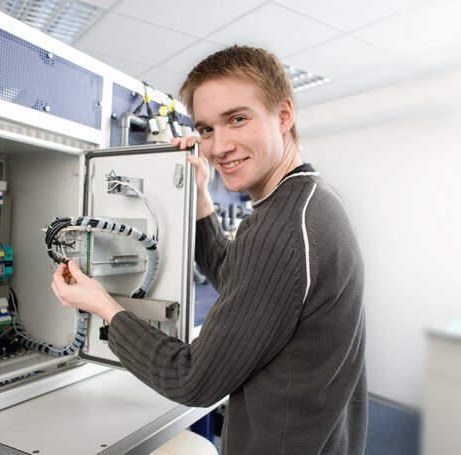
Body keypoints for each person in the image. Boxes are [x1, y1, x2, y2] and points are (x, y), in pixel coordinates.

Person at [51, 45, 367, 454]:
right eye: (206, 129)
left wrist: (104, 307)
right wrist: (200, 197)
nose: (218, 147)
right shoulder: (314, 202)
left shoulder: (280, 229)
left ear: (284, 115)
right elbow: (235, 274)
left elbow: (192, 380)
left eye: (237, 119)